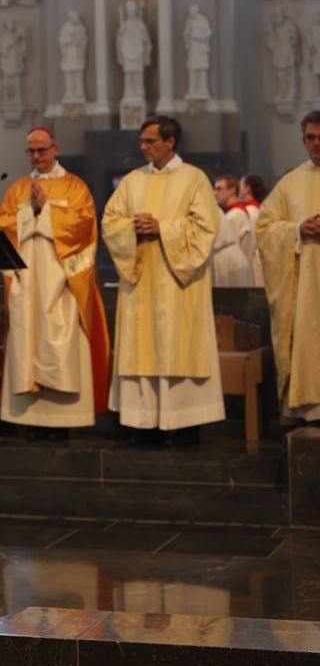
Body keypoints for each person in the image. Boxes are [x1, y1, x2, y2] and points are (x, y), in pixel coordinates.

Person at [101, 116, 222, 445]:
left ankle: (181, 426)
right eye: (141, 141)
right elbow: (111, 222)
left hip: (178, 285)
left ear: (171, 142)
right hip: (140, 283)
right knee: (141, 348)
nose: (143, 147)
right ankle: (142, 425)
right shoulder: (132, 181)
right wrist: (131, 228)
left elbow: (207, 227)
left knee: (176, 346)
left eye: (150, 141)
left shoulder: (193, 179)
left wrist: (163, 228)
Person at [0, 128, 110, 435]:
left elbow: (83, 226)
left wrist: (44, 211)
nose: (37, 157)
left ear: (55, 149)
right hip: (27, 284)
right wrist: (29, 212)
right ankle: (30, 421)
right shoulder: (17, 188)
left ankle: (62, 422)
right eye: (31, 152)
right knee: (27, 342)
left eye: (42, 151)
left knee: (60, 344)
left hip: (61, 284)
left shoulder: (75, 186)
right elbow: (1, 224)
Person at [256, 113, 320, 426]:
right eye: (310, 137)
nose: (316, 144)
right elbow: (265, 228)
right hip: (305, 285)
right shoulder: (291, 182)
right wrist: (297, 229)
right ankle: (308, 408)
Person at [211, 175, 256, 288]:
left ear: (232, 190)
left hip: (232, 268)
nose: (215, 193)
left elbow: (235, 245)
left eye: (219, 188)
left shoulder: (234, 215)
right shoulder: (235, 213)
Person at [241, 173, 268, 286]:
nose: (239, 189)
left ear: (247, 189)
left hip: (251, 259)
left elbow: (249, 241)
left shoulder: (249, 211)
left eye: (241, 185)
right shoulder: (260, 209)